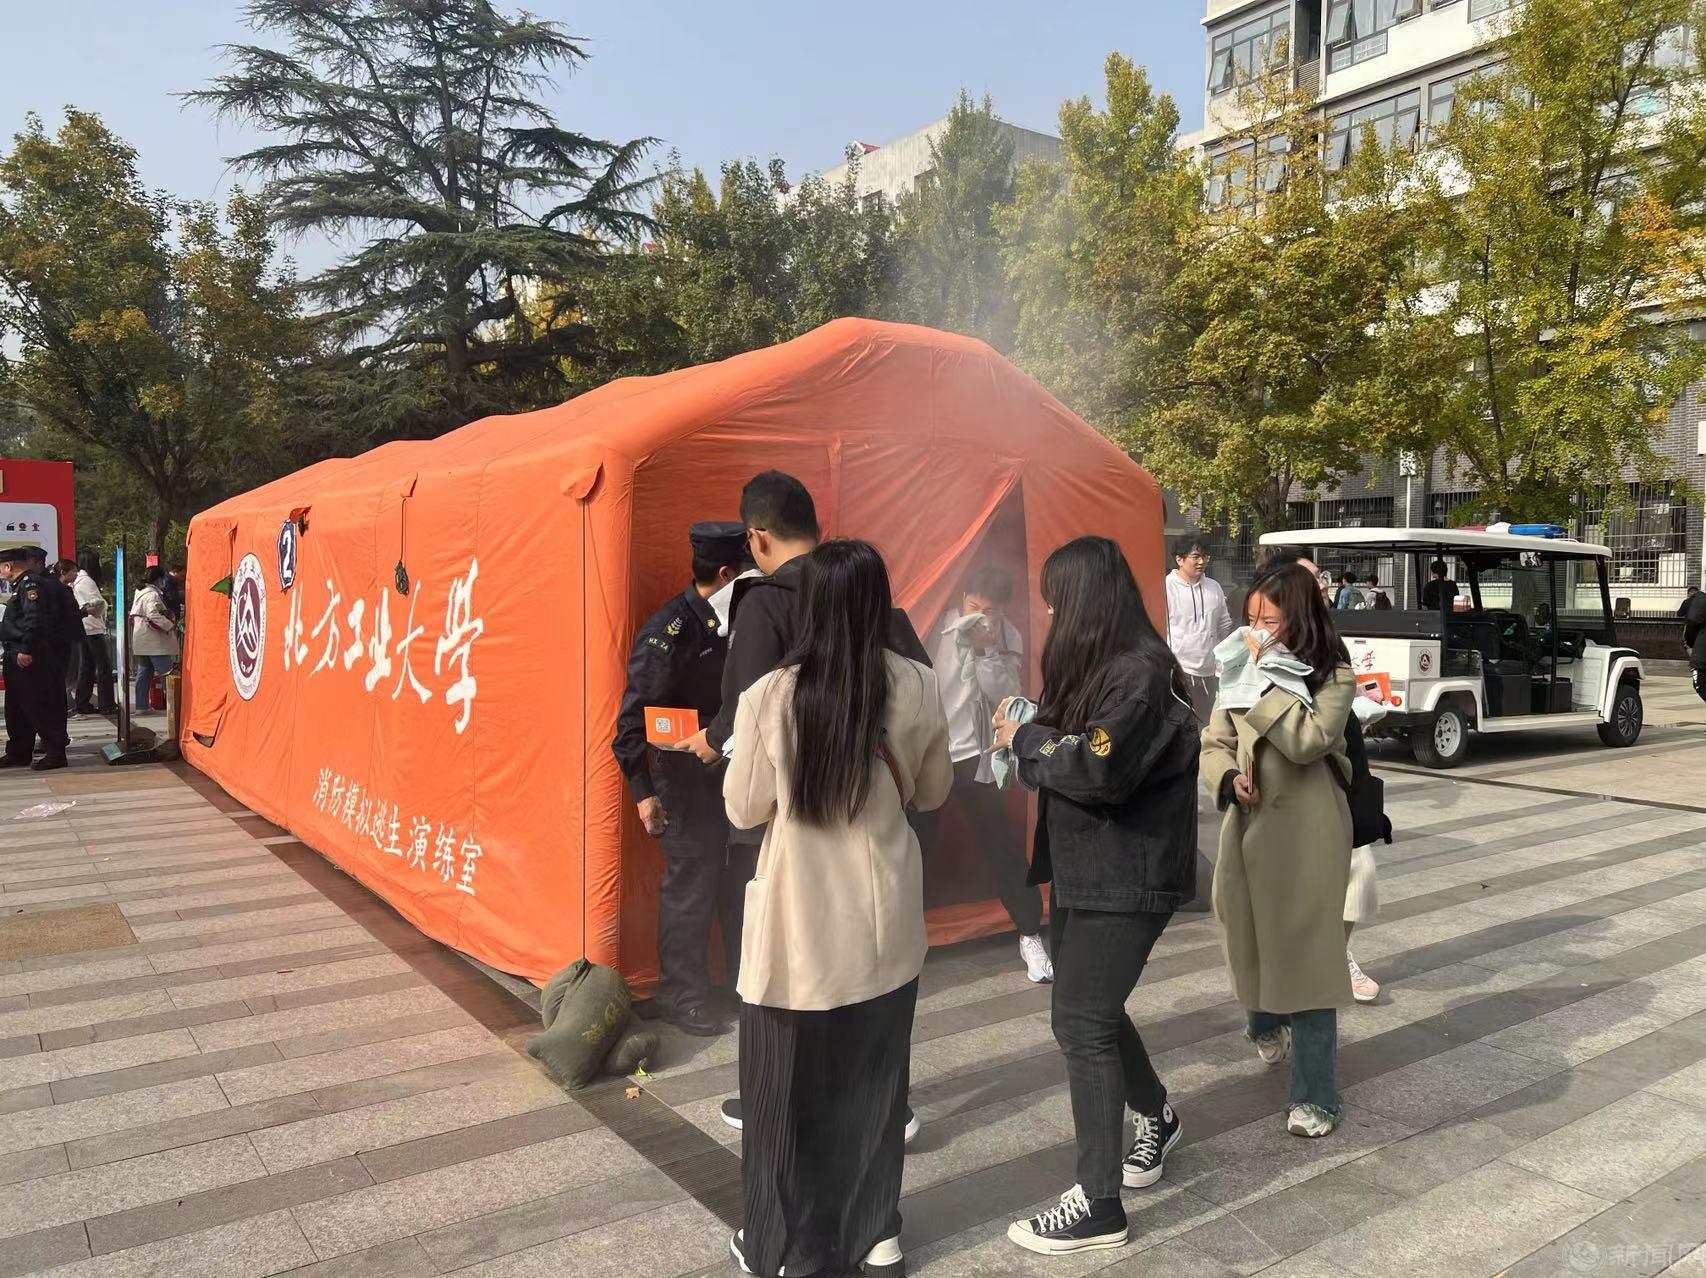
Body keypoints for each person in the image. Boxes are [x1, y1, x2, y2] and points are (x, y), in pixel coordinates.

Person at [675, 472, 930, 1136]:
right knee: (878, 970)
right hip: (882, 835)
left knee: (788, 969)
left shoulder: (767, 603)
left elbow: (748, 714)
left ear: (756, 537)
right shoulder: (877, 603)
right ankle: (885, 1105)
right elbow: (927, 757)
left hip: (792, 825)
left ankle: (782, 1104)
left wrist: (716, 741)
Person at [723, 539, 952, 1278]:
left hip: (797, 928)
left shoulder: (770, 696)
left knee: (779, 1094)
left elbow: (743, 807)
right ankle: (876, 1232)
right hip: (884, 923)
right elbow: (933, 792)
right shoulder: (918, 683)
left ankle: (787, 1244)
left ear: (811, 607)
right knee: (875, 1084)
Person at [998, 536, 1200, 1257]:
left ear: (1085, 602)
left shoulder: (1140, 674)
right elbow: (1073, 744)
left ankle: (1098, 1204)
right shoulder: (1104, 667)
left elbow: (1096, 767)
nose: (1050, 615)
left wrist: (1027, 740)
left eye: (1056, 602)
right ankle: (1157, 1115)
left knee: (1082, 1021)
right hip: (1088, 865)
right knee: (1091, 1009)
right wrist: (1033, 729)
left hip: (1128, 871)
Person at [1202, 562, 1356, 1139]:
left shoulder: (1333, 674)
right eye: (1251, 619)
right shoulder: (1237, 666)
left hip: (1311, 830)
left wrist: (1266, 680)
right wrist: (1226, 778)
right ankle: (1264, 1020)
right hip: (1249, 825)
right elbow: (1214, 741)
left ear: (1300, 617)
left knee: (1307, 956)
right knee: (1244, 932)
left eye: (1270, 621)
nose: (1256, 632)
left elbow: (1307, 741)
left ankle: (1317, 1095)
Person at [612, 522, 753, 1037]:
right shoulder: (670, 632)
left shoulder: (744, 620)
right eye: (747, 573)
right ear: (726, 574)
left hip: (741, 777)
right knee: (691, 890)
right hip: (687, 785)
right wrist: (643, 794)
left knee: (742, 887)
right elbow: (631, 722)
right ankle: (681, 996)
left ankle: (745, 987)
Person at [925, 564, 1051, 983]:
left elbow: (1006, 697)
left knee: (1003, 846)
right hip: (929, 754)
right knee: (913, 846)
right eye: (973, 606)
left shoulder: (1006, 636)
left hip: (975, 756)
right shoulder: (934, 626)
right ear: (961, 598)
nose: (979, 616)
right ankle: (899, 938)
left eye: (989, 610)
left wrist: (986, 651)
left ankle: (1029, 933)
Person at [0, 546, 79, 771]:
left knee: (41, 704)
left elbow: (34, 619)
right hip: (16, 653)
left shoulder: (31, 585)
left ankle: (55, 752)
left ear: (9, 567)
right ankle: (18, 751)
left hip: (30, 654)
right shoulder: (21, 586)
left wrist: (26, 648)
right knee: (17, 707)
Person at [1165, 534, 1234, 724]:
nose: (1202, 562)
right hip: (1179, 670)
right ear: (1179, 559)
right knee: (1183, 725)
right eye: (1195, 557)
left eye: (1205, 556)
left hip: (1211, 671)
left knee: (1208, 725)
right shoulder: (1166, 588)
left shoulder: (1214, 587)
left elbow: (1224, 624)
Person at [59, 555, 114, 716]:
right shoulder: (86, 581)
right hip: (92, 627)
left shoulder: (77, 582)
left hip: (84, 627)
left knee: (87, 667)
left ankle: (82, 703)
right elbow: (96, 603)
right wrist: (102, 607)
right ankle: (106, 703)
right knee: (103, 667)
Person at [130, 566, 179, 711]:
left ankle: (141, 705)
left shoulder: (140, 592)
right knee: (166, 674)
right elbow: (152, 614)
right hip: (154, 640)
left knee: (144, 673)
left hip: (141, 637)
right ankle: (173, 706)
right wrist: (169, 625)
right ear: (158, 579)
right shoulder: (152, 594)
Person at [1684, 587, 1706, 705]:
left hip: (1702, 656)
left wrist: (1690, 645)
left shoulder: (1700, 601)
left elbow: (1691, 625)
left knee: (1701, 685)